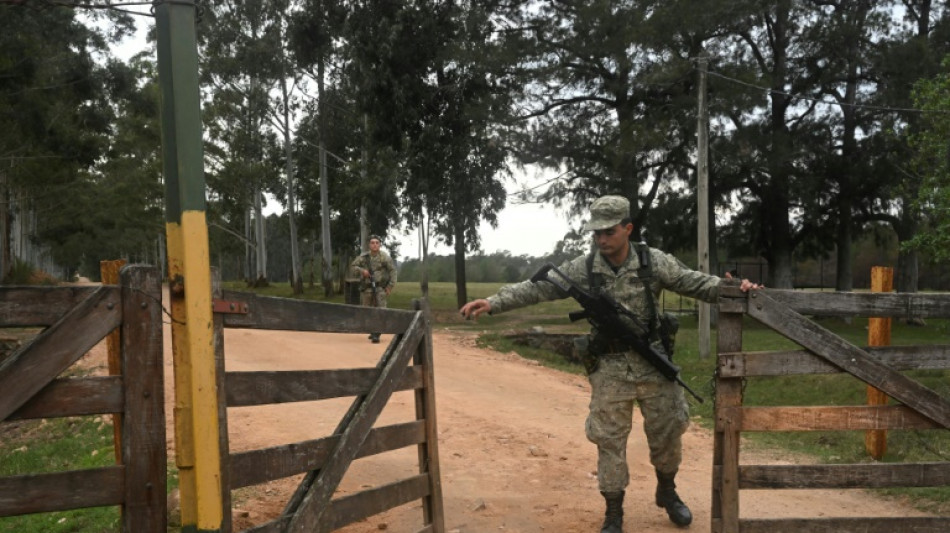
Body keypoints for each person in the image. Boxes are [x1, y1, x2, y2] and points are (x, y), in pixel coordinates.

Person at [459, 195, 761, 532]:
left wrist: (734, 288)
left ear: (627, 228)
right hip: (610, 367)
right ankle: (614, 513)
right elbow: (539, 288)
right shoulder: (586, 267)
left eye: (609, 232)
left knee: (668, 432)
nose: (601, 239)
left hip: (654, 362)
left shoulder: (652, 262)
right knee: (609, 439)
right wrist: (495, 302)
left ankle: (667, 490)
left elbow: (696, 283)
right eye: (596, 233)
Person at [350, 234, 397, 343]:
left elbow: (393, 271)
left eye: (377, 243)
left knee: (381, 311)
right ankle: (372, 330)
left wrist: (390, 286)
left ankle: (377, 333)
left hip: (380, 288)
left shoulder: (384, 257)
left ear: (379, 245)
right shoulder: (364, 257)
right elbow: (353, 267)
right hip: (367, 289)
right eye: (372, 243)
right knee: (367, 311)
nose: (375, 245)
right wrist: (363, 271)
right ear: (369, 245)